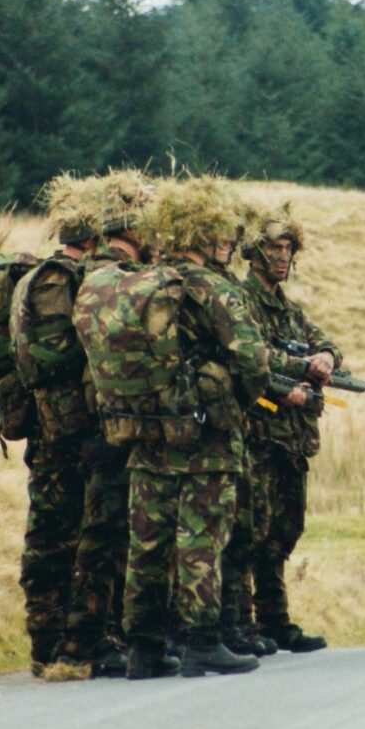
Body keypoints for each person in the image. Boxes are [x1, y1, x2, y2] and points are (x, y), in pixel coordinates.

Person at [123, 178, 270, 678]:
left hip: (145, 431)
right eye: (221, 235)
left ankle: (143, 648)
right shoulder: (215, 288)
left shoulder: (142, 281)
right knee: (200, 538)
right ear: (203, 237)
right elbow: (252, 360)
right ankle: (202, 641)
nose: (227, 243)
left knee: (147, 541)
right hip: (206, 438)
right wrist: (235, 402)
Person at [53, 172, 154, 675]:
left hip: (90, 420)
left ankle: (86, 638)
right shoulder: (109, 277)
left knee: (101, 530)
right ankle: (84, 641)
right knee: (104, 531)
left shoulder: (87, 274)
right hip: (105, 424)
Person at [9, 180, 106, 677]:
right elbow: (55, 354)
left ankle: (61, 642)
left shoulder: (37, 276)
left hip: (56, 424)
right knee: (57, 533)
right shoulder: (55, 280)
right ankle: (52, 644)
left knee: (60, 529)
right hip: (61, 429)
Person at [236, 205, 338, 653]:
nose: (282, 257)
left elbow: (325, 344)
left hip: (293, 439)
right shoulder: (241, 302)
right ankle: (243, 623)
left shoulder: (289, 310)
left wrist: (328, 359)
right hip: (258, 434)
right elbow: (253, 359)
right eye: (273, 248)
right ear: (253, 253)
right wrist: (295, 376)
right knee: (249, 530)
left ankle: (275, 621)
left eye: (287, 248)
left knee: (284, 529)